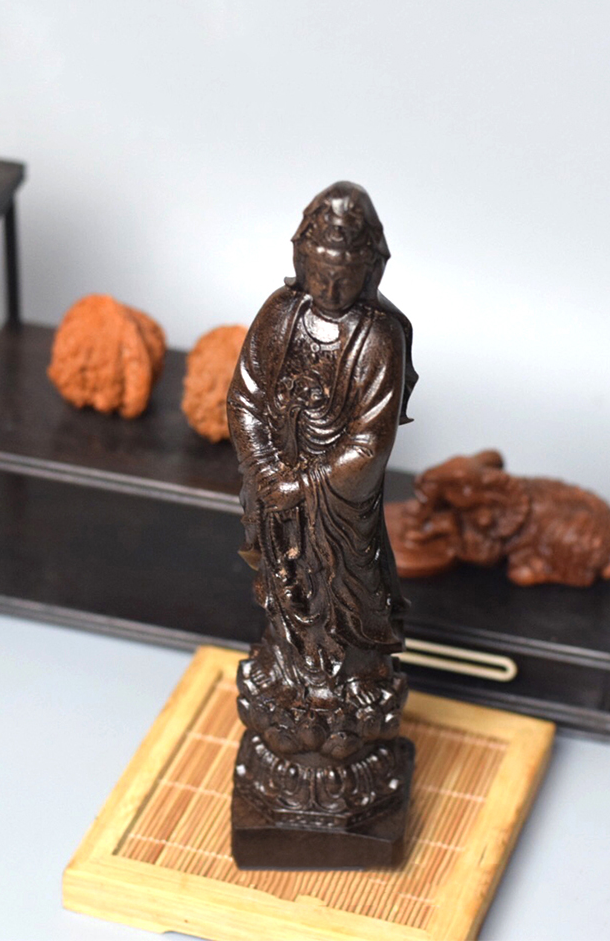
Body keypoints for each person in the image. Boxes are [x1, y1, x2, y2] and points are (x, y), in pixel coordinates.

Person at [227, 182, 417, 810]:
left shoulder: (377, 337)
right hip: (276, 495)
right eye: (320, 272)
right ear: (301, 259)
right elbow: (245, 397)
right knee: (284, 591)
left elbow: (370, 441)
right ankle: (290, 674)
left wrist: (302, 484)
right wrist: (265, 472)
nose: (331, 288)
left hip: (338, 509)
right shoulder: (280, 315)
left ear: (370, 270)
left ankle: (350, 682)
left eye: (345, 275)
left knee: (345, 591)